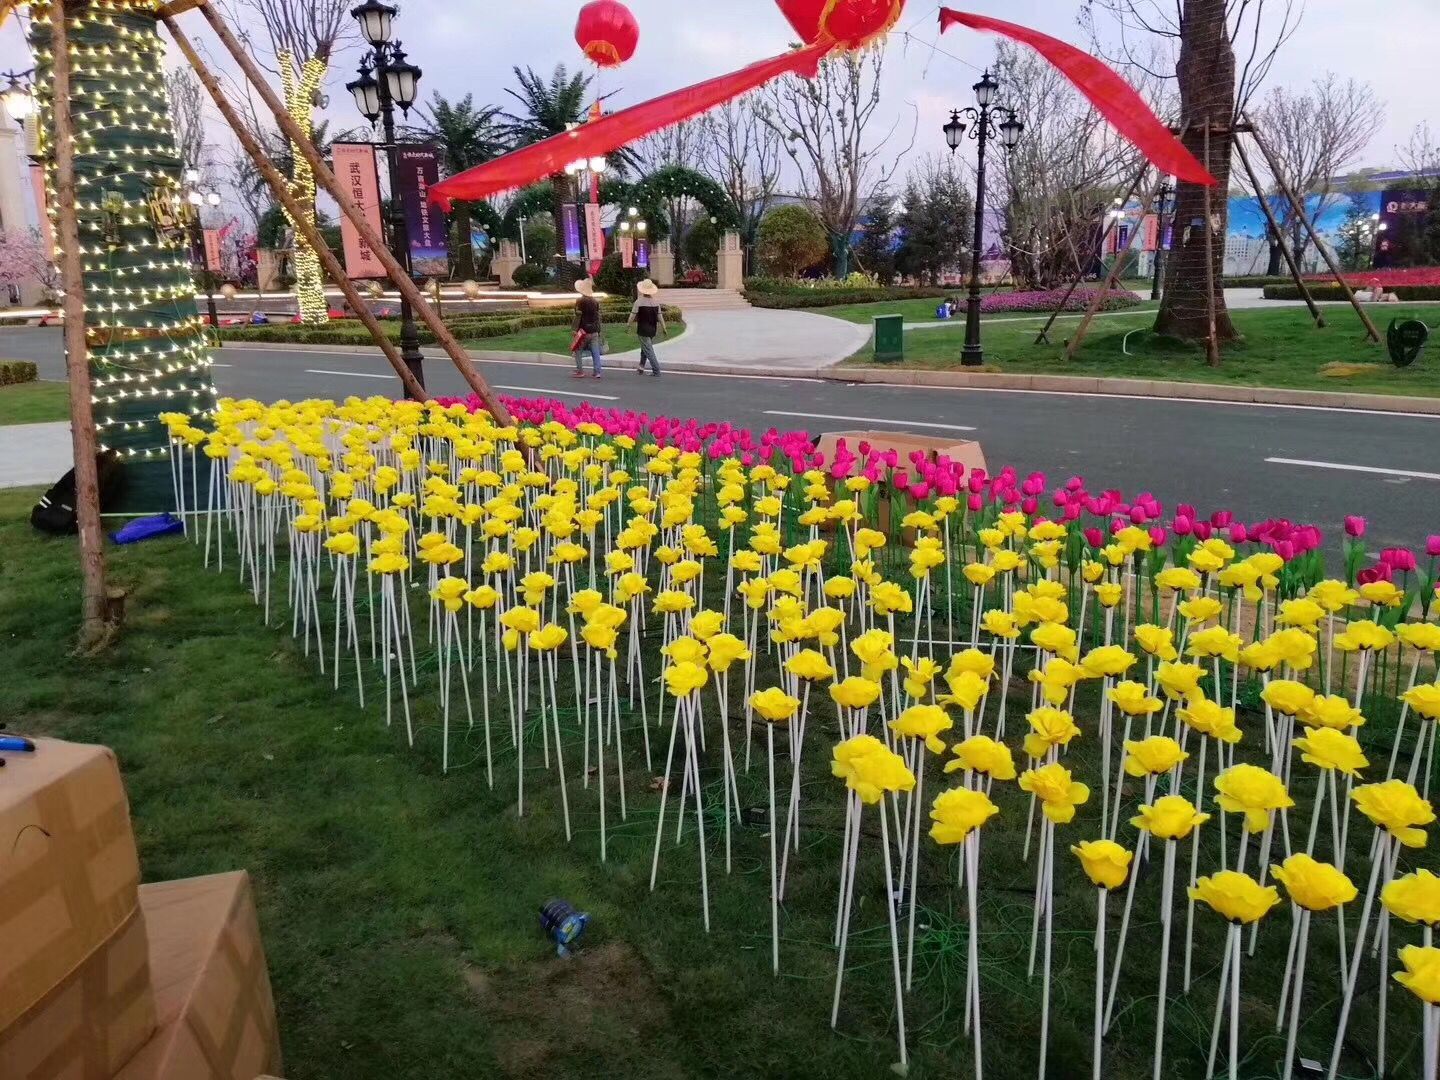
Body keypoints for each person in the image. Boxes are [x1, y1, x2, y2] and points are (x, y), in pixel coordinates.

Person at [628, 278, 666, 376]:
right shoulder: (655, 302)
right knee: (644, 348)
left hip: (643, 330)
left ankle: (656, 370)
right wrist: (664, 328)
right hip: (653, 329)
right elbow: (660, 316)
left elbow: (632, 315)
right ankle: (641, 367)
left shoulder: (639, 302)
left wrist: (628, 325)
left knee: (648, 350)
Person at [571, 277, 604, 378]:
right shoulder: (595, 302)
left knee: (577, 350)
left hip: (583, 330)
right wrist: (599, 330)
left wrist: (574, 329)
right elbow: (598, 317)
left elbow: (578, 316)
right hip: (594, 330)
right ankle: (597, 372)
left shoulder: (580, 301)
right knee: (595, 352)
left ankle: (580, 370)